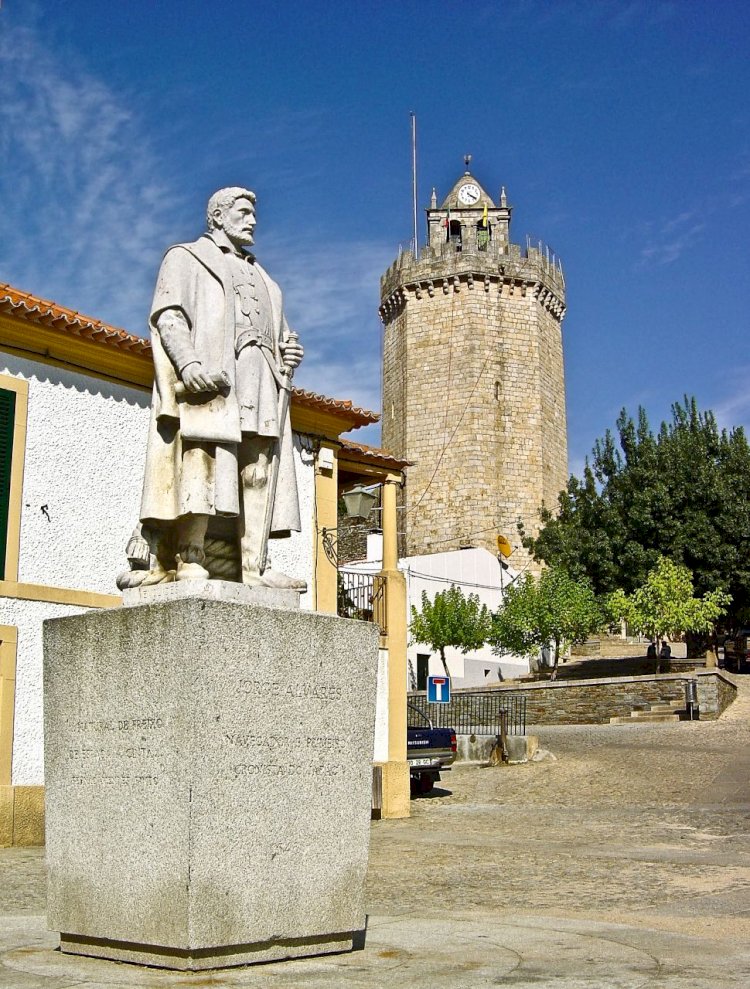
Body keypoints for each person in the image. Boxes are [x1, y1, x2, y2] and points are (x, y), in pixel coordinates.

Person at [135, 187, 305, 588]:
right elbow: (169, 316)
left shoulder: (267, 281)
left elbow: (278, 334)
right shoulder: (186, 258)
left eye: (253, 213)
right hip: (213, 378)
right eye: (244, 212)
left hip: (261, 374)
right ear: (218, 216)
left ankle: (254, 567)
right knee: (203, 458)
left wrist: (289, 352)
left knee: (258, 467)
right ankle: (189, 553)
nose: (253, 220)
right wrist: (189, 364)